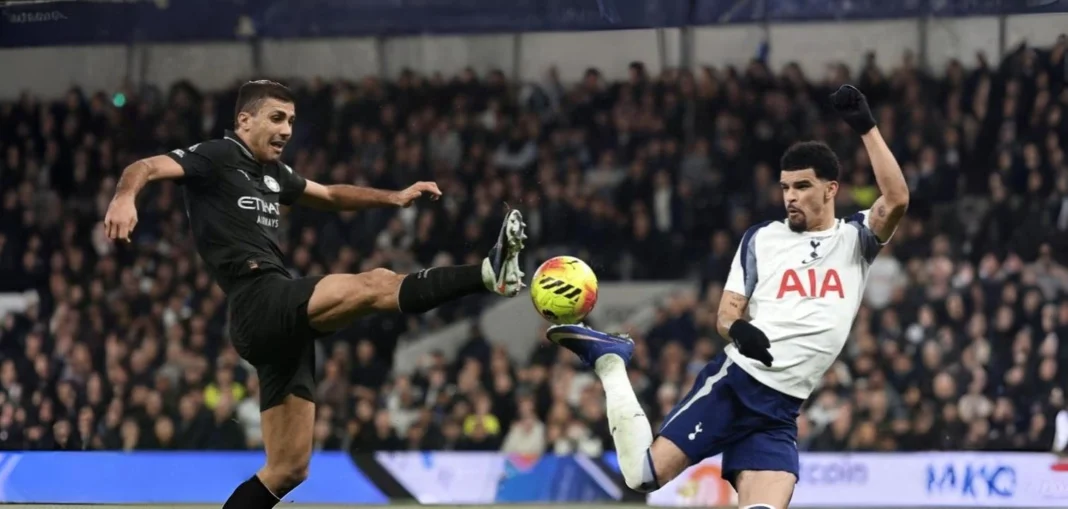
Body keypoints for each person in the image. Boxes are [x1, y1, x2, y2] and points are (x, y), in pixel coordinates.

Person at [102, 80, 527, 509]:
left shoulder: (273, 173)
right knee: (376, 283)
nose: (287, 129)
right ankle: (489, 274)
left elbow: (329, 195)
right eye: (276, 118)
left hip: (277, 323)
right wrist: (124, 199)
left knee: (288, 469)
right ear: (244, 121)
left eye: (290, 120)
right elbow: (146, 166)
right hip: (258, 299)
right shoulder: (217, 156)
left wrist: (394, 198)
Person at [547, 85, 908, 509]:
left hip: (780, 412)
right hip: (736, 386)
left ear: (831, 189)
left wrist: (866, 127)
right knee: (642, 476)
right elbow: (725, 314)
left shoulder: (854, 240)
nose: (790, 196)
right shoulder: (762, 239)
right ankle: (610, 362)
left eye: (802, 186)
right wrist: (739, 329)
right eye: (785, 186)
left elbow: (897, 198)